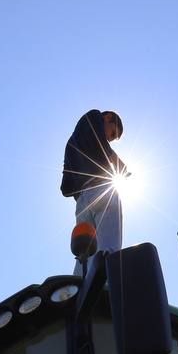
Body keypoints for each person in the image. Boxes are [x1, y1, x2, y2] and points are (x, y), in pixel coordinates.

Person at [61, 110, 126, 273]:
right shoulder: (94, 115)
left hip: (82, 202)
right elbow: (98, 139)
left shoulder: (71, 144)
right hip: (102, 190)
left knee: (83, 253)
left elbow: (65, 188)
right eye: (111, 134)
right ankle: (108, 283)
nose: (108, 140)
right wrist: (117, 163)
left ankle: (80, 289)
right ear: (108, 117)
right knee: (109, 248)